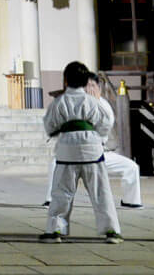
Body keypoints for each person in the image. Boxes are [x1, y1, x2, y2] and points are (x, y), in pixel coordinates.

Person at [40, 61, 122, 244]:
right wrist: (96, 136)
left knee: (62, 192)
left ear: (66, 80)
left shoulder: (59, 102)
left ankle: (55, 230)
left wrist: (61, 130)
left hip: (67, 150)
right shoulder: (92, 102)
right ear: (86, 81)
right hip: (91, 149)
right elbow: (106, 122)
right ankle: (111, 230)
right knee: (101, 192)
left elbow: (49, 125)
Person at [43, 73, 142, 209]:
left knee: (131, 167)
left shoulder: (104, 105)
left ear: (99, 88)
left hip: (98, 153)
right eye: (86, 86)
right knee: (56, 164)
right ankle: (51, 200)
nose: (90, 89)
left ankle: (131, 201)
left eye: (93, 85)